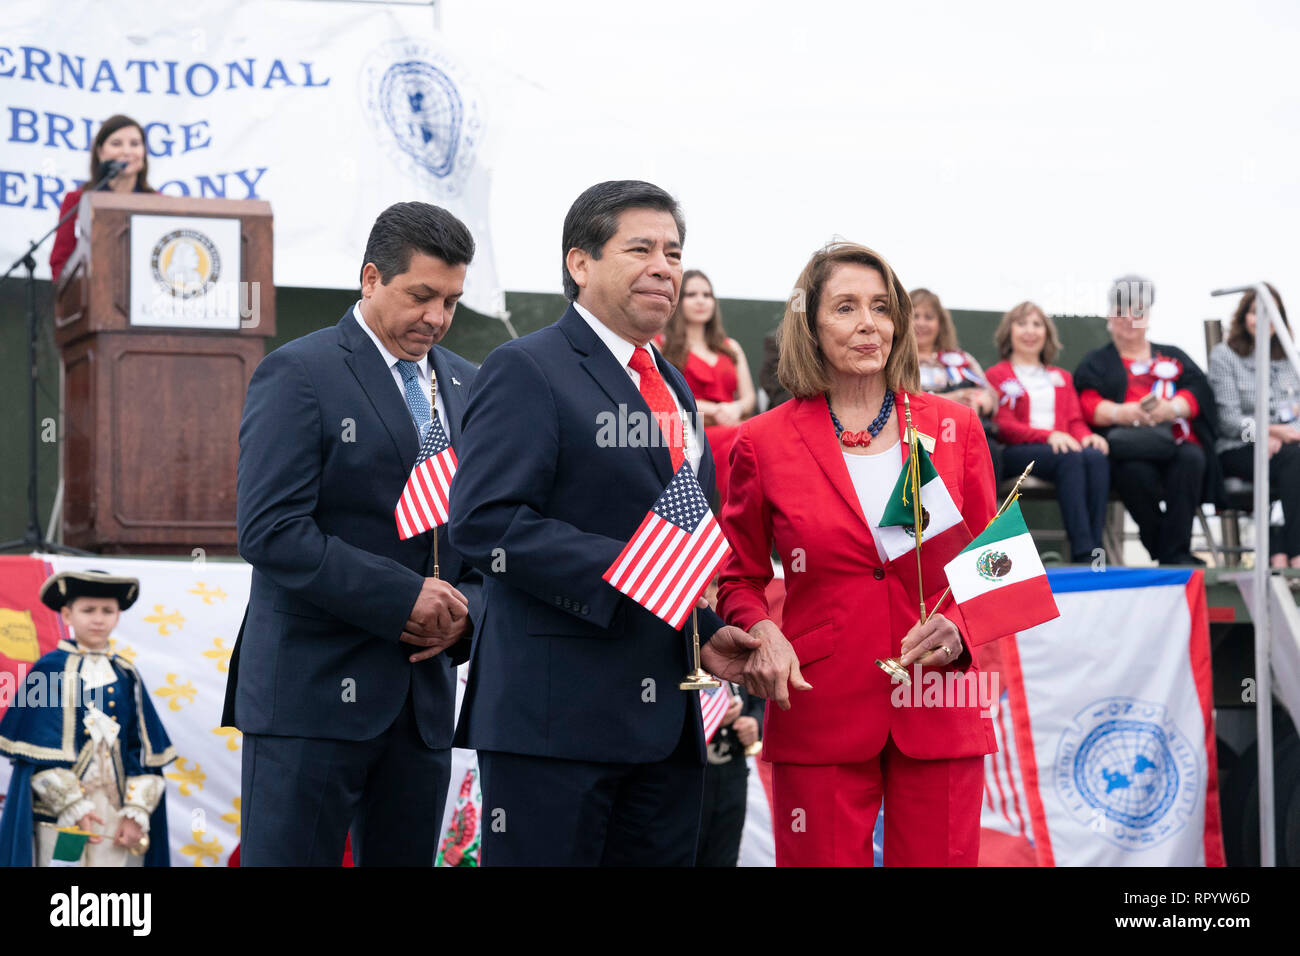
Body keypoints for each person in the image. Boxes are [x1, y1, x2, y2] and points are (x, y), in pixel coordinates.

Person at [447, 180, 784, 866]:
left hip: (664, 730)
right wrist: (631, 568)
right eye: (641, 248)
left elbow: (677, 545)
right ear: (581, 263)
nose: (665, 265)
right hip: (554, 727)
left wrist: (708, 632)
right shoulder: (526, 367)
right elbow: (484, 524)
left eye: (674, 251)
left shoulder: (675, 385)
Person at [716, 241, 1000, 866]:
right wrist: (761, 628)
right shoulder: (760, 443)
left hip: (940, 697)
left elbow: (996, 562)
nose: (868, 323)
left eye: (881, 307)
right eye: (845, 307)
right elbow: (737, 575)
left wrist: (960, 626)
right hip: (820, 705)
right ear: (809, 326)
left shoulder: (954, 427)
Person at [222, 202, 482, 866]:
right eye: (421, 295)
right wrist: (405, 600)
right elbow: (271, 530)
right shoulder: (299, 372)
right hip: (311, 700)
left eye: (451, 301)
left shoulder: (470, 386)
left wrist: (466, 617)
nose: (436, 317)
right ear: (370, 279)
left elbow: (486, 535)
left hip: (421, 708)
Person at [0, 570, 174, 867]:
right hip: (62, 810)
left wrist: (136, 812)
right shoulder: (48, 669)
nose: (98, 619)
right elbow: (39, 753)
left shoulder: (125, 673)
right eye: (88, 610)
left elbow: (143, 750)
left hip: (115, 809)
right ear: (67, 615)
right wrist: (74, 807)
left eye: (107, 611)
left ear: (118, 616)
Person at [1074, 275, 1222, 565]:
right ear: (1109, 315)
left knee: (1192, 460)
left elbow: (1199, 391)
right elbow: (1085, 402)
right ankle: (1166, 549)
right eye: (1122, 310)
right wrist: (1121, 413)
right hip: (1127, 447)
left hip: (1174, 442)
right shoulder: (1096, 361)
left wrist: (1173, 408)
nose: (1129, 318)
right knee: (1133, 474)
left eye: (1137, 311)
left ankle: (1174, 551)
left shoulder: (1173, 355)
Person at [985, 301, 1110, 563]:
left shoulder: (1062, 376)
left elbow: (1074, 420)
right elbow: (1003, 425)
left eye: (1037, 324)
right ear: (1009, 333)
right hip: (1017, 451)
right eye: (1022, 324)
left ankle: (1097, 550)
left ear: (1047, 333)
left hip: (1059, 449)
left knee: (1096, 457)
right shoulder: (997, 375)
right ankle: (1083, 553)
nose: (1030, 331)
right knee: (1070, 458)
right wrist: (1047, 436)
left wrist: (1087, 435)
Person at [1208, 284, 1300, 568]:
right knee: (1294, 460)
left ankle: (1279, 548)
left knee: (1293, 459)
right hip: (1239, 448)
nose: (1262, 320)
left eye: (1271, 313)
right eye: (1255, 312)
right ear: (1243, 316)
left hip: (1287, 447)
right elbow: (1228, 421)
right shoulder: (1225, 355)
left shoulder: (1288, 358)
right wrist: (1267, 433)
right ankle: (1296, 554)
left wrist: (1283, 433)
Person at [660, 270, 757, 503]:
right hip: (691, 434)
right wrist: (715, 410)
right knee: (742, 441)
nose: (701, 300)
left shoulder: (730, 347)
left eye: (707, 294)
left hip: (735, 426)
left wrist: (734, 409)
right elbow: (667, 396)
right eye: (691, 294)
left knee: (754, 439)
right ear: (678, 300)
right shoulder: (662, 346)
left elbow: (749, 398)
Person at [911, 287, 1004, 481]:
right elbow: (902, 398)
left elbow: (989, 395)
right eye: (915, 315)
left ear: (940, 324)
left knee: (989, 448)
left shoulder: (962, 359)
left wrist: (982, 399)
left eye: (928, 317)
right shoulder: (893, 359)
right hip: (918, 436)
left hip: (964, 433)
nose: (921, 323)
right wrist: (954, 399)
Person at [49, 115, 155, 283]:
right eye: (116, 144)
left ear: (143, 152)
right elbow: (60, 264)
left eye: (134, 144)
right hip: (91, 299)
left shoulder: (159, 203)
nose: (126, 151)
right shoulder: (77, 201)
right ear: (100, 152)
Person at [695, 681, 763, 867]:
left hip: (733, 768)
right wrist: (709, 713)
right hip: (690, 773)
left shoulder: (744, 650)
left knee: (725, 856)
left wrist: (755, 723)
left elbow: (762, 698)